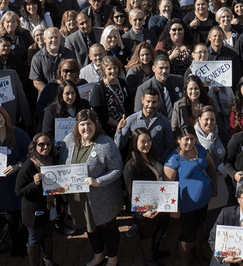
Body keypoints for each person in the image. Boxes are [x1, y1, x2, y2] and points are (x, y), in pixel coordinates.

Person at [59, 109, 123, 266]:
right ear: (77, 126)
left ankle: (113, 259)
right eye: (82, 124)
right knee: (90, 229)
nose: (86, 128)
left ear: (96, 125)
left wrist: (98, 181)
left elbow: (117, 168)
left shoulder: (105, 143)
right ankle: (98, 255)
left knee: (107, 228)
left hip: (102, 198)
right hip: (79, 198)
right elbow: (62, 165)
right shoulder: (68, 141)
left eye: (89, 124)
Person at [164, 124, 217, 266]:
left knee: (199, 227)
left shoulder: (200, 150)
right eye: (186, 139)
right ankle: (183, 258)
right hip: (185, 205)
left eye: (192, 138)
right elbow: (167, 185)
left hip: (203, 201)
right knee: (188, 233)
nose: (189, 142)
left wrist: (214, 186)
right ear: (178, 140)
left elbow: (211, 166)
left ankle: (197, 251)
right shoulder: (173, 159)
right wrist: (172, 208)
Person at [0, 105, 31, 256]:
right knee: (10, 216)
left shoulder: (18, 133)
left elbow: (31, 154)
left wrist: (18, 165)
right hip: (1, 184)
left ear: (4, 115)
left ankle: (22, 244)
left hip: (17, 181)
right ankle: (15, 243)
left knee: (22, 216)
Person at [123, 128, 170, 266]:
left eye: (149, 140)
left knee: (160, 228)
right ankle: (148, 259)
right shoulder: (131, 166)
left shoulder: (152, 157)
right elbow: (132, 193)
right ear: (134, 143)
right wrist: (143, 212)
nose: (147, 144)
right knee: (148, 234)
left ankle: (155, 251)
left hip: (161, 204)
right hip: (146, 210)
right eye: (142, 141)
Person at [15, 132, 60, 266]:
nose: (45, 147)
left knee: (48, 234)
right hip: (34, 210)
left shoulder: (52, 161)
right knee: (34, 238)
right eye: (41, 144)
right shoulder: (28, 166)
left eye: (48, 144)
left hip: (50, 207)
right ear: (34, 146)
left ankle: (48, 260)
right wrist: (34, 184)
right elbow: (19, 191)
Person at [115, 87, 174, 163]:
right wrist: (119, 130)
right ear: (142, 100)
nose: (150, 105)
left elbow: (170, 146)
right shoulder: (131, 120)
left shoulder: (164, 121)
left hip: (157, 164)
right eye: (148, 101)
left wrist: (160, 162)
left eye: (154, 102)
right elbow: (119, 146)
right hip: (137, 164)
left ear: (158, 102)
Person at [134, 54, 185, 121]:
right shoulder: (143, 88)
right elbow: (139, 115)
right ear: (153, 69)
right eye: (161, 68)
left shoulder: (178, 81)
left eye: (167, 68)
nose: (164, 71)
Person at [90, 56, 129, 138]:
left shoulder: (122, 83)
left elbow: (128, 103)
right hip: (108, 130)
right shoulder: (99, 87)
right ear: (103, 70)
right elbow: (99, 111)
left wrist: (126, 123)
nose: (113, 71)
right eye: (109, 69)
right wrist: (117, 124)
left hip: (125, 127)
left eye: (115, 68)